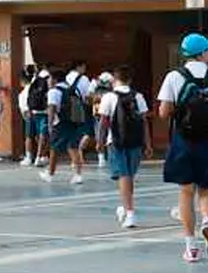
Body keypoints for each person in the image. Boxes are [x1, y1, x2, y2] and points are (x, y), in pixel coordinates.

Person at [158, 33, 208, 264]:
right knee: (206, 187)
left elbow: (163, 112)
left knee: (186, 192)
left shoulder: (174, 76)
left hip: (183, 138)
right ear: (202, 53)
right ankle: (207, 219)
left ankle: (191, 246)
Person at [97, 66, 151, 229]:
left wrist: (99, 141)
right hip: (135, 141)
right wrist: (148, 144)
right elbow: (144, 122)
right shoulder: (138, 96)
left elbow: (103, 122)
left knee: (123, 176)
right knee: (129, 176)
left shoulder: (109, 97)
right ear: (130, 79)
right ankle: (126, 207)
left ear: (115, 79)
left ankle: (130, 212)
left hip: (116, 141)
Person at [40, 68, 84, 184]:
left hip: (59, 122)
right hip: (73, 121)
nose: (48, 80)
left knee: (54, 148)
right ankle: (78, 174)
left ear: (54, 79)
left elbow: (52, 108)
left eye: (49, 78)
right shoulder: (72, 89)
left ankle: (50, 173)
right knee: (73, 147)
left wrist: (49, 124)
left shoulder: (53, 91)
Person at [66, 60, 95, 169]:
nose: (85, 69)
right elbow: (87, 95)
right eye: (84, 67)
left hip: (68, 108)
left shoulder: (67, 77)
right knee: (88, 131)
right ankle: (79, 152)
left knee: (72, 132)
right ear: (79, 67)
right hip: (80, 107)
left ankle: (75, 159)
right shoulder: (83, 79)